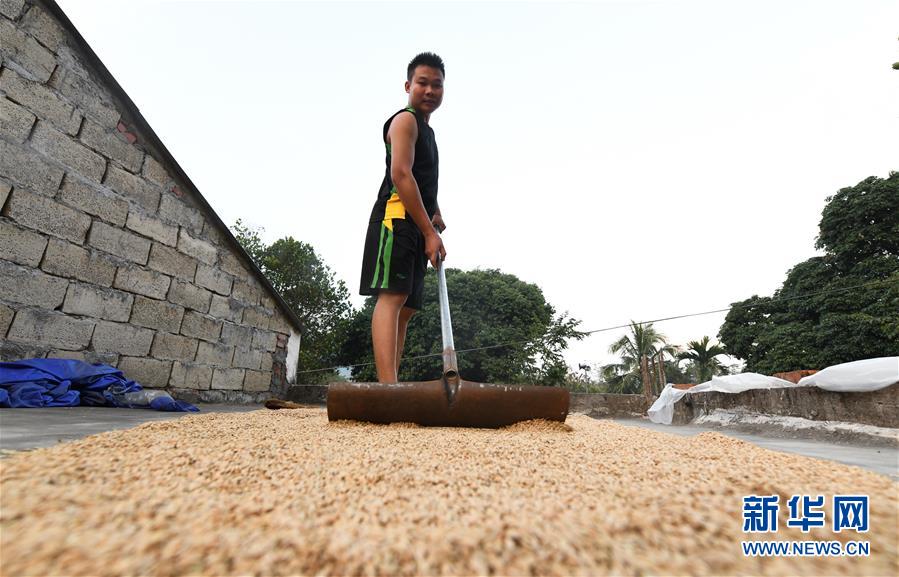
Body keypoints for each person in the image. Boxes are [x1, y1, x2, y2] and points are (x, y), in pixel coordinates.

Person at [359, 52, 447, 384]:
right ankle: (388, 389)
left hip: (417, 224)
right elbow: (401, 174)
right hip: (395, 220)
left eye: (437, 85)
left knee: (407, 309)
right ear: (408, 86)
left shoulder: (429, 133)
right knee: (393, 297)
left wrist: (434, 210)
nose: (430, 90)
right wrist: (429, 233)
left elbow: (421, 179)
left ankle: (392, 382)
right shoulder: (405, 121)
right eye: (423, 83)